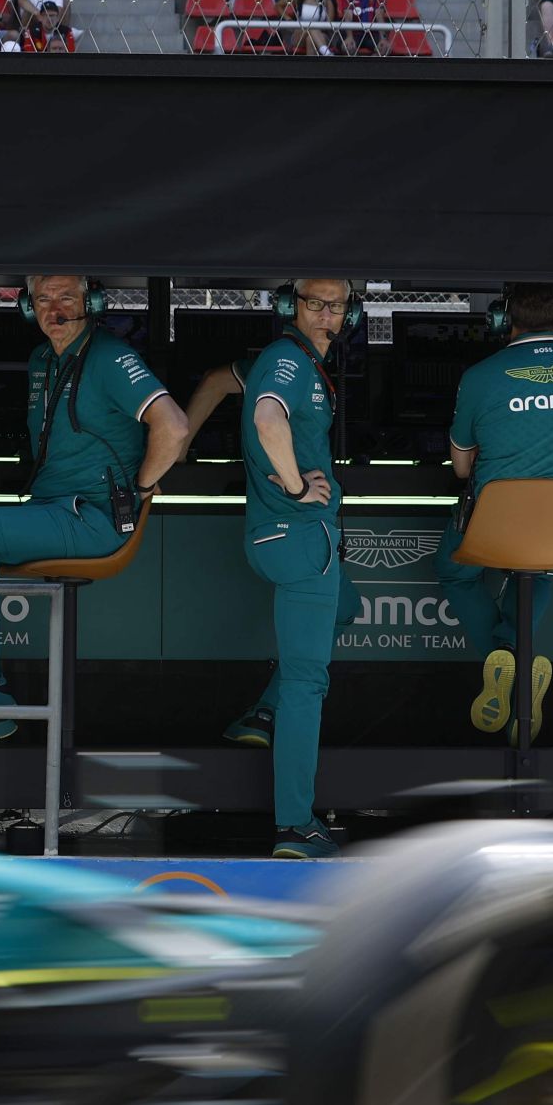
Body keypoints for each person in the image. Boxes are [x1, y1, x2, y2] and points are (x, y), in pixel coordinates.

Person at [0, 275, 186, 748]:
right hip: (52, 510)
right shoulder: (42, 358)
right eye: (42, 299)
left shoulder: (110, 357)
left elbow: (175, 427)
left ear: (92, 302)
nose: (53, 308)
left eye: (66, 297)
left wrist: (140, 487)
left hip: (92, 519)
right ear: (28, 307)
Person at [227, 280, 366, 858]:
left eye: (336, 305)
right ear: (290, 306)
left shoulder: (295, 359)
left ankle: (263, 708)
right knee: (309, 684)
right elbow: (267, 420)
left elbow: (219, 383)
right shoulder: (287, 359)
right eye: (314, 303)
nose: (325, 314)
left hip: (272, 538)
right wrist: (294, 483)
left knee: (347, 606)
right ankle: (295, 827)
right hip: (300, 537)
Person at [434, 283, 553, 740]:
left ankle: (505, 658)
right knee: (539, 570)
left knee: (455, 572)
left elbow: (460, 467)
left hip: (497, 525)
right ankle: (515, 648)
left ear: (501, 318)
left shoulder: (480, 376)